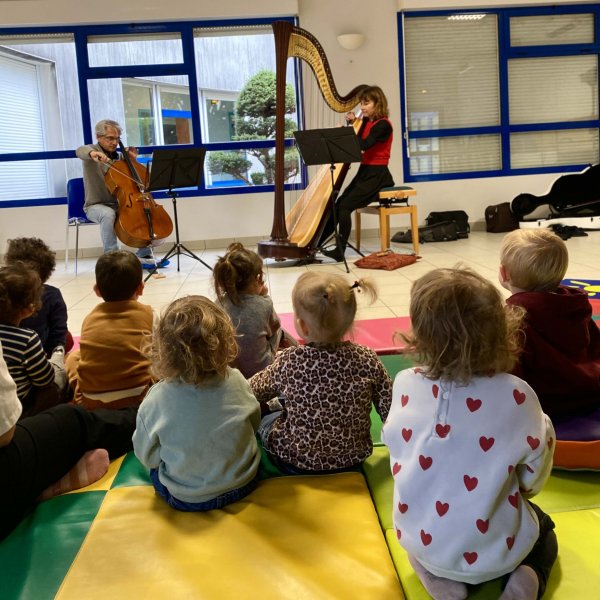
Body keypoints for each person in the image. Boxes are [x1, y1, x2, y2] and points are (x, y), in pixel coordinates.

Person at [383, 267, 557, 600]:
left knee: (418, 543)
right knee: (544, 530)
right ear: (502, 332)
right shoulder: (518, 395)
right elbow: (533, 482)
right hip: (499, 555)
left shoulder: (404, 383)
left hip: (425, 540)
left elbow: (401, 458)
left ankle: (437, 578)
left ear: (419, 337)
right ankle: (526, 582)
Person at [250, 272, 392, 474]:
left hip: (296, 462)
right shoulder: (368, 358)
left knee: (266, 416)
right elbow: (390, 409)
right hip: (353, 459)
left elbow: (252, 391)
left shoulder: (290, 360)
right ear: (350, 321)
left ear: (302, 326)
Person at [133, 295, 261, 511]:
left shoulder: (156, 398)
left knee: (155, 469)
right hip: (245, 483)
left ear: (162, 349)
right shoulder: (236, 379)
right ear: (226, 343)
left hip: (187, 498)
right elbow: (254, 423)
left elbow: (147, 455)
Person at [0, 339, 137, 541]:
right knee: (73, 420)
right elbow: (5, 433)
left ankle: (41, 484)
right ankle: (149, 414)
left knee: (72, 357)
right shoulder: (27, 339)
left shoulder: (92, 322)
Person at [500, 228, 600, 420]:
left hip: (547, 405)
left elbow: (510, 373)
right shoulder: (575, 304)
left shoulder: (513, 317)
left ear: (504, 273)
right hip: (591, 390)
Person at [65, 250, 154, 410]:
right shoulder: (149, 314)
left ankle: (79, 397)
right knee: (158, 356)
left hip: (92, 401)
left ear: (97, 290)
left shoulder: (89, 318)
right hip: (140, 397)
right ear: (141, 287)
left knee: (72, 357)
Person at [320, 85, 395, 262]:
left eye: (366, 103)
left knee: (345, 206)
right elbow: (358, 137)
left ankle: (340, 250)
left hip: (378, 176)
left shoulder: (383, 125)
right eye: (361, 103)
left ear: (378, 104)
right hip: (366, 172)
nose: (362, 107)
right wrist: (351, 124)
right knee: (338, 205)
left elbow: (364, 144)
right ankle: (317, 244)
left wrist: (345, 132)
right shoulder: (368, 122)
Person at [75, 119, 160, 266]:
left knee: (142, 208)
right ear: (98, 137)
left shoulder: (121, 157)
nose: (114, 143)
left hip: (121, 203)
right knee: (108, 214)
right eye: (110, 138)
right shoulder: (90, 152)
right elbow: (80, 151)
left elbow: (140, 181)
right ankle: (112, 258)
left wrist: (133, 162)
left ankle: (144, 254)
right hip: (96, 206)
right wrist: (93, 153)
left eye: (117, 139)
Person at [213, 242, 297, 379]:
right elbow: (274, 327)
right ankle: (298, 352)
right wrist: (264, 295)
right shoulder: (264, 303)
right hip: (263, 372)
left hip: (231, 373)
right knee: (280, 331)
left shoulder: (218, 304)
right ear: (258, 278)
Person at [0, 264, 67, 416]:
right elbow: (45, 380)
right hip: (18, 407)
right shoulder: (27, 339)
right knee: (57, 383)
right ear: (30, 308)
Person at [4, 237, 73, 356]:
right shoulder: (52, 295)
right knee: (68, 338)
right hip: (40, 355)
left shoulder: (3, 291)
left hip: (7, 352)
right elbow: (58, 333)